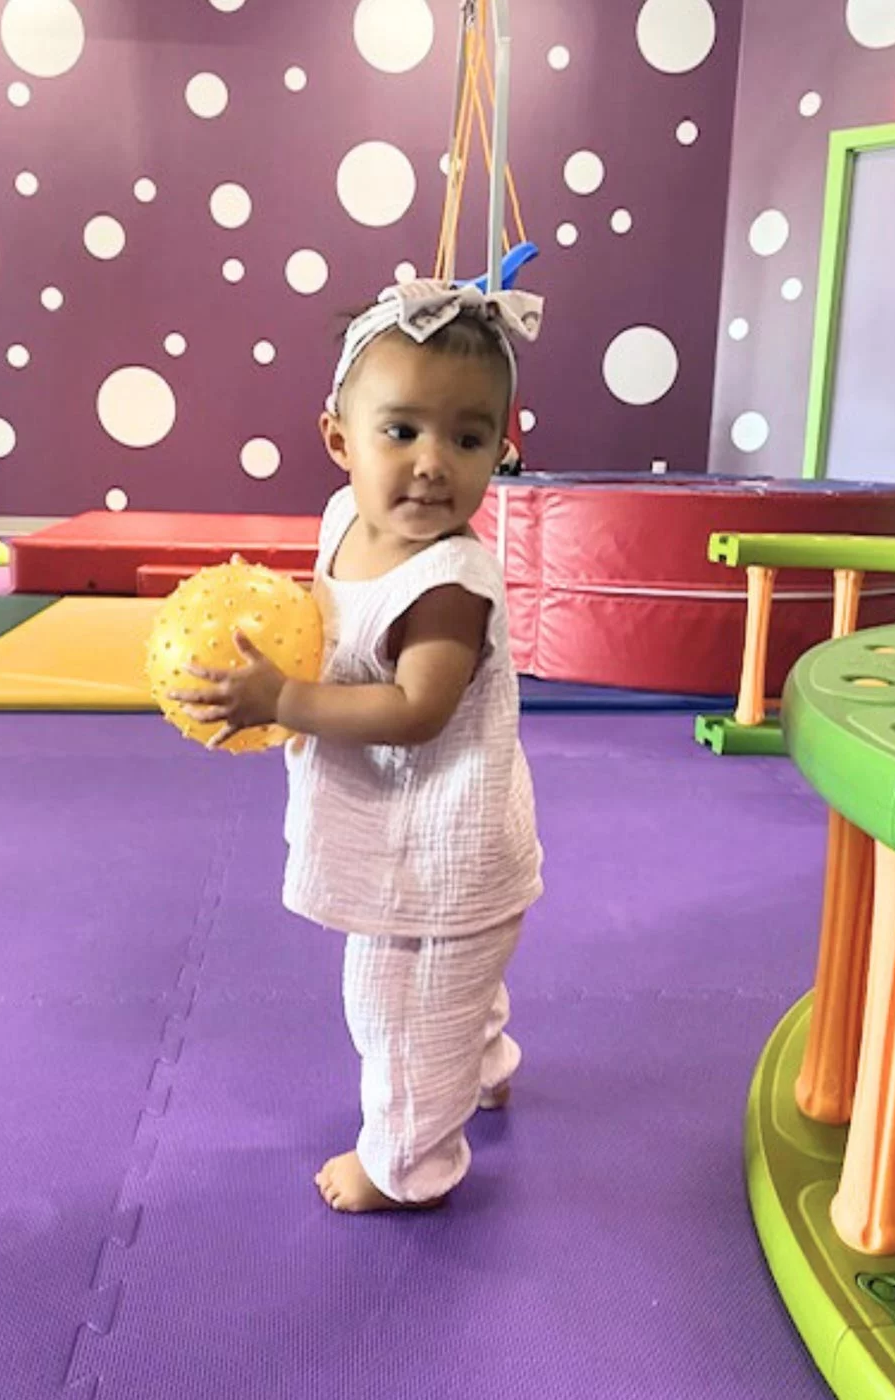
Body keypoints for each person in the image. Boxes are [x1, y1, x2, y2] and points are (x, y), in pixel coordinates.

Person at [173, 278, 545, 1212]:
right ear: (339, 439)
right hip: (404, 824)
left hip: (445, 844)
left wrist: (288, 700)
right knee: (450, 991)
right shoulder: (345, 521)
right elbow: (327, 621)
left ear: (504, 447)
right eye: (402, 431)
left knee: (397, 1011)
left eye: (467, 438)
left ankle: (407, 1170)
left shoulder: (450, 581)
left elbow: (419, 708)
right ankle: (487, 1061)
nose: (431, 464)